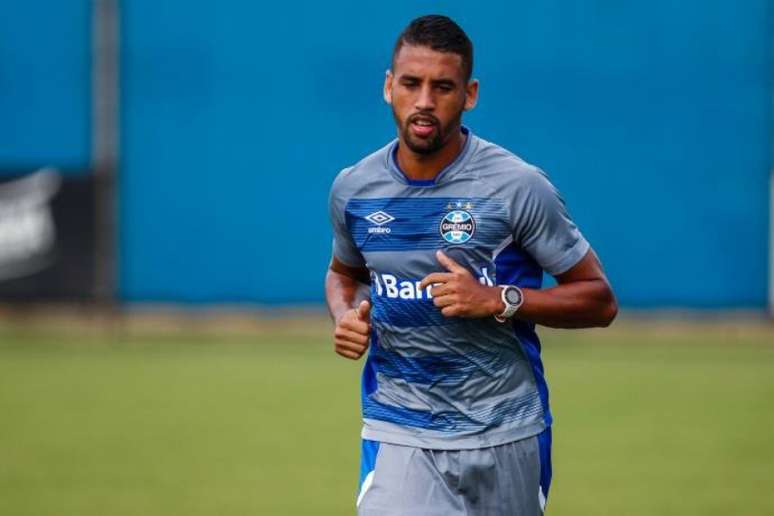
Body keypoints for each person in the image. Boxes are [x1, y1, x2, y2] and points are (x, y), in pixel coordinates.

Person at [325, 14, 617, 516]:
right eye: (411, 84)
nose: (424, 101)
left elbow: (599, 299)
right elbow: (343, 274)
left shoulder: (517, 187)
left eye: (443, 87)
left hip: (507, 429)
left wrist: (499, 299)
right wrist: (345, 316)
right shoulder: (354, 189)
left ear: (470, 94)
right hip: (399, 429)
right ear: (388, 87)